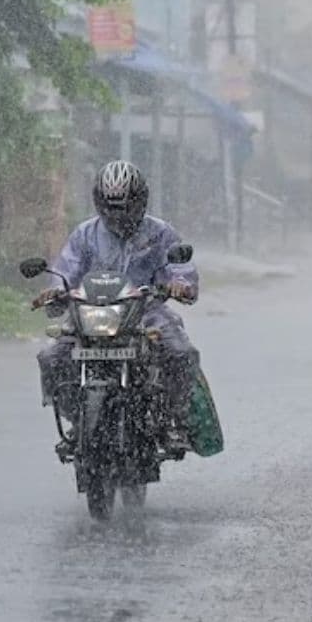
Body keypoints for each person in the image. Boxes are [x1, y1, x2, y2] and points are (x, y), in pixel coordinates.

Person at [36, 160, 200, 455]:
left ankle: (174, 419)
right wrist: (54, 292)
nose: (118, 214)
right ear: (99, 202)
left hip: (146, 311)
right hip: (91, 313)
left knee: (181, 353)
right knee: (52, 357)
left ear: (140, 200)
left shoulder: (160, 233)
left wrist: (179, 284)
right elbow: (65, 271)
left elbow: (180, 269)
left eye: (125, 206)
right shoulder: (85, 235)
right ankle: (79, 418)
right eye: (111, 206)